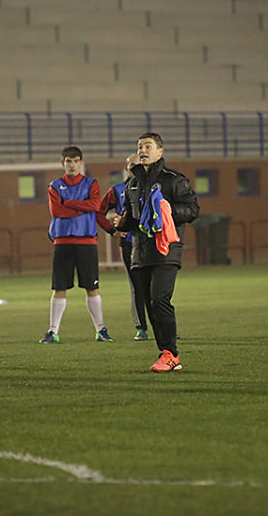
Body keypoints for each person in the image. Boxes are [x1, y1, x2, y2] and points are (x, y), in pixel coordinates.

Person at [114, 133, 199, 372]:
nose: (142, 150)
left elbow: (193, 210)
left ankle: (171, 353)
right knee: (150, 304)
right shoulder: (132, 185)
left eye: (148, 146)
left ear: (160, 151)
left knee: (160, 299)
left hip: (166, 249)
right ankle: (166, 354)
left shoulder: (174, 180)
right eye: (139, 146)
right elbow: (134, 220)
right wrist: (122, 223)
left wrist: (170, 209)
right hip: (140, 252)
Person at [39, 146, 113, 344]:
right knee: (59, 288)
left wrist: (69, 202)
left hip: (86, 241)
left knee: (92, 287)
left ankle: (101, 330)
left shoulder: (91, 183)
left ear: (81, 162)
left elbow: (95, 205)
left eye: (75, 161)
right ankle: (53, 331)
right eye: (68, 161)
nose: (72, 165)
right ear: (62, 163)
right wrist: (82, 206)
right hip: (62, 242)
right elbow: (57, 211)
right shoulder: (55, 186)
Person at [98, 154, 150, 341]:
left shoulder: (154, 186)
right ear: (126, 168)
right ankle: (141, 328)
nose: (134, 168)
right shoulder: (118, 190)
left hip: (151, 243)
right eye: (131, 165)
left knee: (157, 287)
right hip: (129, 244)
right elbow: (99, 212)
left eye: (138, 164)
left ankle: (165, 326)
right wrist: (112, 230)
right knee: (137, 286)